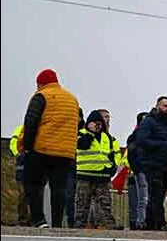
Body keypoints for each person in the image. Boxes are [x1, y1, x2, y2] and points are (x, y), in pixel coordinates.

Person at [21, 69, 81, 228]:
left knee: (32, 183)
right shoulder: (72, 98)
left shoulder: (41, 96)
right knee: (59, 188)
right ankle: (56, 223)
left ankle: (39, 220)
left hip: (42, 149)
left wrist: (27, 147)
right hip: (65, 152)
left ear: (40, 83)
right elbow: (78, 123)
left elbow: (30, 122)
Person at [133, 97, 167, 230]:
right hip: (152, 164)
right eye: (164, 106)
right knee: (155, 194)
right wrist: (163, 145)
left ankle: (150, 223)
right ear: (157, 107)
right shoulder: (149, 122)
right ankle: (159, 222)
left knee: (159, 194)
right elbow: (141, 141)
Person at [73, 110, 119, 229]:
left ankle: (107, 225)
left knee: (105, 204)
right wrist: (90, 133)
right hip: (85, 175)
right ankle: (79, 225)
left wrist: (111, 168)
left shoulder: (107, 137)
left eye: (99, 123)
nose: (97, 125)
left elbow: (111, 154)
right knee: (82, 204)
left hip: (103, 176)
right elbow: (83, 145)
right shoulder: (81, 134)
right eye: (94, 123)